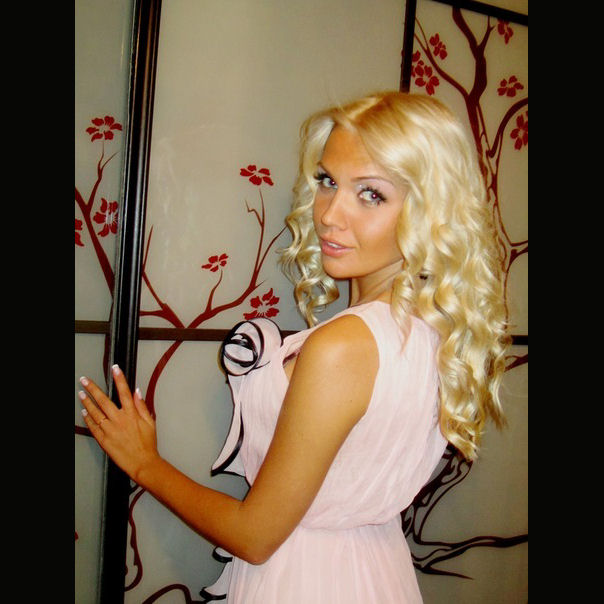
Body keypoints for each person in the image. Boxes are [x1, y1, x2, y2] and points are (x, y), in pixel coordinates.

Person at [78, 91, 509, 603]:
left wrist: (145, 463)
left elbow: (255, 537)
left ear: (429, 209)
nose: (329, 215)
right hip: (375, 572)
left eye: (371, 195)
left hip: (305, 581)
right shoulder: (434, 328)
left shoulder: (344, 345)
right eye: (327, 181)